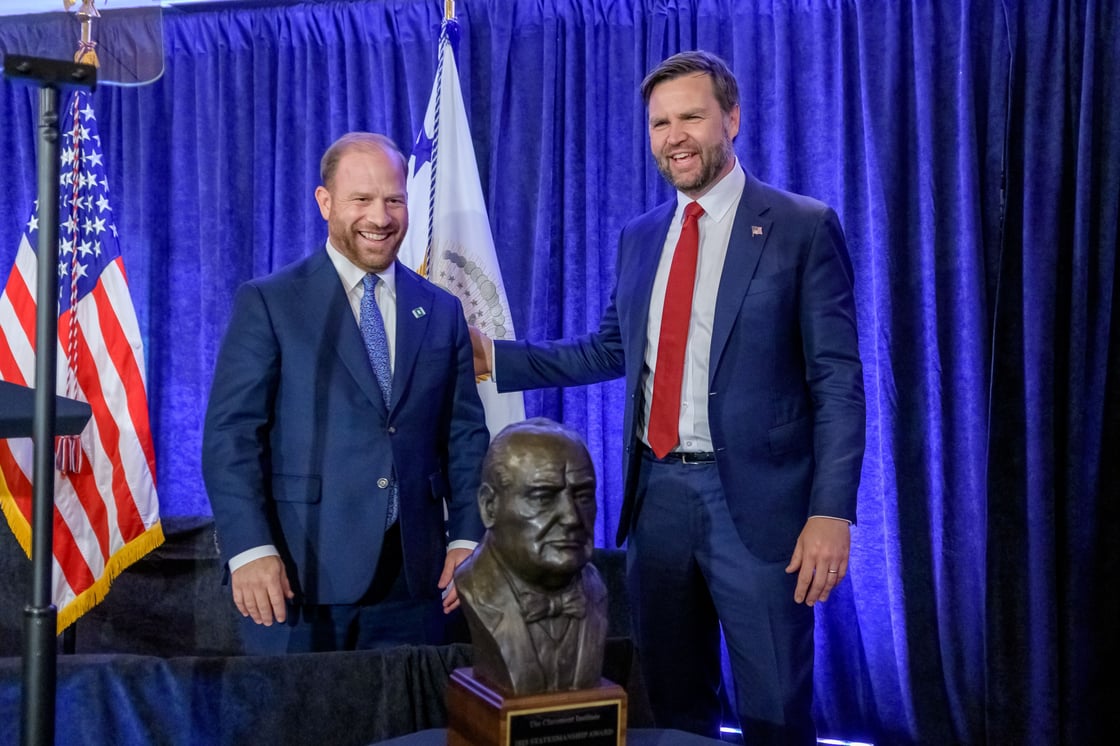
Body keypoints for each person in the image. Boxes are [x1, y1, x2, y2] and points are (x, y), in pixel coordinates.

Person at [472, 51, 865, 743]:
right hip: (656, 502)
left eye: (691, 116)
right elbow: (611, 350)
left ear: (731, 119)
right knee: (675, 707)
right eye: (660, 123)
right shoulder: (641, 236)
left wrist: (832, 512)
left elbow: (837, 380)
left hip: (760, 511)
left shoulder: (801, 226)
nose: (675, 136)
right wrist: (495, 359)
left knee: (775, 709)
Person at [202, 132, 490, 654]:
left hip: (418, 583)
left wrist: (468, 536)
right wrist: (247, 548)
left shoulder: (442, 310)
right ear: (325, 201)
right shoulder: (270, 302)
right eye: (361, 199)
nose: (379, 217)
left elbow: (465, 435)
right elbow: (232, 436)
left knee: (412, 733)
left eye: (393, 199)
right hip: (296, 578)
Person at [454, 418, 608, 695]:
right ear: (490, 507)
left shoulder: (596, 593)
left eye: (583, 496)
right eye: (543, 498)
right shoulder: (475, 588)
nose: (572, 518)